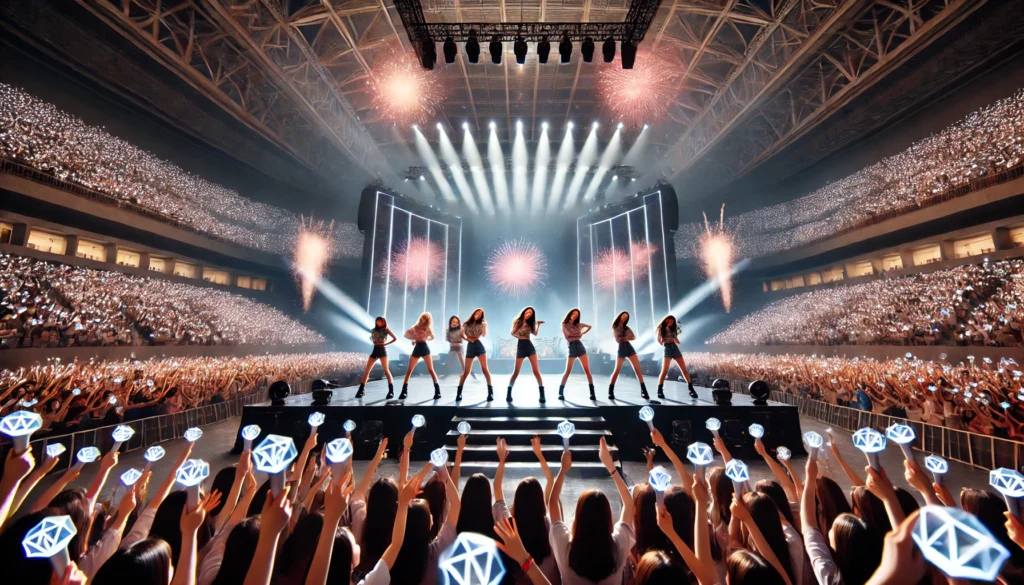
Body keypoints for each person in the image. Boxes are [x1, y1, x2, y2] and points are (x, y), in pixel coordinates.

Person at [549, 439, 634, 585]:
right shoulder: (618, 548)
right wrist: (611, 468)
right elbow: (629, 504)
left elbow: (552, 503)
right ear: (607, 518)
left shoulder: (566, 548)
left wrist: (563, 470)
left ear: (578, 518)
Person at [507, 307, 546, 403]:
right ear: (524, 312)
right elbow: (512, 332)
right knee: (516, 372)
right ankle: (509, 393)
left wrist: (538, 325)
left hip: (529, 346)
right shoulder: (518, 321)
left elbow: (535, 334)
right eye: (527, 312)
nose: (528, 314)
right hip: (521, 347)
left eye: (530, 313)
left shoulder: (530, 323)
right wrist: (521, 336)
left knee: (536, 371)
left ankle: (542, 394)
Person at [400, 313, 441, 400]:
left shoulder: (427, 328)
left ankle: (437, 391)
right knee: (409, 370)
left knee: (431, 370)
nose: (422, 319)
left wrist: (426, 338)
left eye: (424, 318)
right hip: (417, 348)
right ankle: (404, 391)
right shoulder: (415, 327)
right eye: (422, 317)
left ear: (427, 321)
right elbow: (407, 334)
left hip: (425, 348)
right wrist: (414, 340)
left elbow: (432, 336)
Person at [654, 315, 697, 399]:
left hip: (675, 348)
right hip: (667, 349)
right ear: (666, 320)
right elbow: (660, 342)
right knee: (664, 371)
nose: (670, 322)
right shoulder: (661, 329)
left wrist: (674, 336)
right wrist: (665, 336)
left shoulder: (673, 330)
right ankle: (659, 390)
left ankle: (691, 389)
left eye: (672, 322)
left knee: (684, 370)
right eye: (669, 321)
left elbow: (677, 342)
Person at [456, 309, 494, 401]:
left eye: (480, 314)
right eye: (477, 313)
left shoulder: (482, 324)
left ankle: (490, 393)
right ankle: (459, 393)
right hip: (470, 346)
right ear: (474, 313)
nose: (478, 315)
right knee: (466, 371)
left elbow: (484, 335)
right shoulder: (467, 324)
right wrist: (467, 339)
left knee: (485, 369)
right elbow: (460, 333)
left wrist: (484, 326)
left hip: (478, 345)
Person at [609, 312, 648, 401]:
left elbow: (633, 337)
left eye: (626, 317)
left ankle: (644, 391)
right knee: (617, 370)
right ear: (620, 316)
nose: (624, 318)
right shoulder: (615, 327)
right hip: (621, 348)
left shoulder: (626, 328)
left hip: (629, 347)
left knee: (638, 369)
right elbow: (618, 339)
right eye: (623, 316)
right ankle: (610, 391)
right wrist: (626, 337)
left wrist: (625, 337)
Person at [558, 308, 594, 401]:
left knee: (587, 371)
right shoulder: (564, 324)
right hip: (572, 347)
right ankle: (560, 392)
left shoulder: (578, 325)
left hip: (580, 346)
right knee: (567, 371)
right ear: (570, 314)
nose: (575, 316)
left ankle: (592, 393)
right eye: (573, 314)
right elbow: (568, 335)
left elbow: (589, 326)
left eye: (577, 315)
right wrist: (579, 334)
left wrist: (581, 331)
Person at [358, 317, 396, 399]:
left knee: (386, 371)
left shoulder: (386, 329)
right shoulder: (373, 330)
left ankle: (391, 391)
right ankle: (361, 390)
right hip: (375, 350)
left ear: (383, 322)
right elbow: (371, 338)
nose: (379, 323)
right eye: (377, 321)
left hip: (383, 351)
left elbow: (394, 338)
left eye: (380, 321)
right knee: (367, 371)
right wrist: (374, 341)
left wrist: (385, 344)